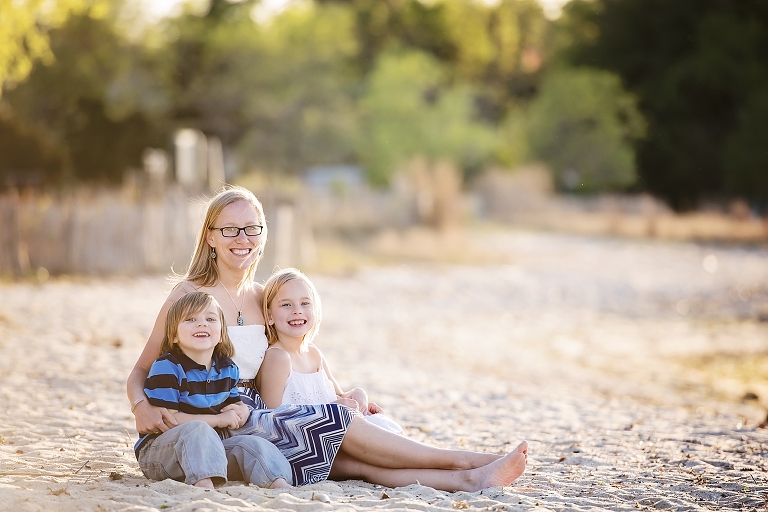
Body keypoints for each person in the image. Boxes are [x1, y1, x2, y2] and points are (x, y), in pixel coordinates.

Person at [127, 185, 528, 492]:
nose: (242, 238)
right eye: (230, 229)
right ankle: (464, 461)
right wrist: (139, 404)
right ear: (211, 237)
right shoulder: (188, 296)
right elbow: (143, 369)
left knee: (353, 463)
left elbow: (294, 357)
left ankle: (470, 481)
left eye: (252, 228)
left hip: (257, 416)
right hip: (227, 418)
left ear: (262, 235)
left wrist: (341, 392)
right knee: (339, 427)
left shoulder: (264, 296)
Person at [134, 291, 292, 489]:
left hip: (209, 450)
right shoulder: (167, 367)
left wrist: (241, 409)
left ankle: (278, 482)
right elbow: (170, 420)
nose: (202, 324)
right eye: (190, 319)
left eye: (210, 319)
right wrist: (217, 420)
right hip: (161, 451)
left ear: (221, 333)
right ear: (173, 335)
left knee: (253, 444)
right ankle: (204, 485)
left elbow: (232, 402)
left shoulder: (227, 368)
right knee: (198, 430)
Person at [257, 267, 403, 434]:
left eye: (305, 303)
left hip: (334, 431)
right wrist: (327, 410)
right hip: (309, 438)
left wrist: (357, 396)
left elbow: (339, 396)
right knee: (378, 437)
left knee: (382, 426)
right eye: (286, 304)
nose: (297, 310)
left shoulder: (313, 353)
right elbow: (272, 417)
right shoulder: (277, 357)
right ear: (269, 316)